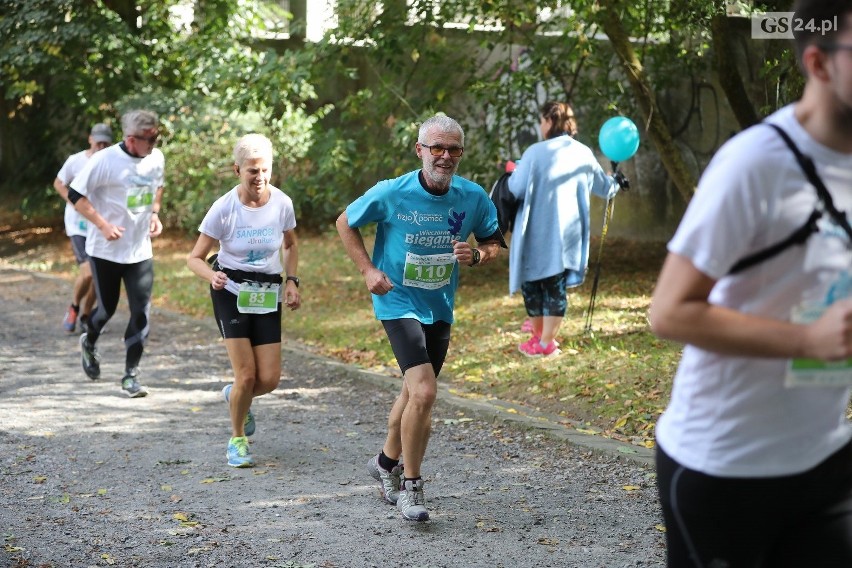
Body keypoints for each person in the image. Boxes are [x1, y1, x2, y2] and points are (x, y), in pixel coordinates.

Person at [649, 1, 852, 565]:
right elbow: (668, 312)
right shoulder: (755, 164)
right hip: (724, 466)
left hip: (825, 456)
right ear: (819, 62)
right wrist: (807, 341)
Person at [336, 114, 505, 522]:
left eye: (453, 149)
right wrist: (367, 270)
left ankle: (383, 463)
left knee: (414, 394)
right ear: (419, 150)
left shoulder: (472, 196)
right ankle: (411, 487)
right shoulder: (392, 192)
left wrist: (479, 255)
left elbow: (494, 241)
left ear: (461, 154)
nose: (444, 156)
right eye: (436, 148)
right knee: (425, 392)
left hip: (439, 305)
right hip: (396, 300)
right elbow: (345, 221)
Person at [187, 133, 301, 468]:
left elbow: (291, 245)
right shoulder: (223, 209)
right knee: (247, 374)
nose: (260, 177)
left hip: (266, 293)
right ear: (237, 170)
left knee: (269, 379)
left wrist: (291, 281)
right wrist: (212, 276)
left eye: (265, 169)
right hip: (231, 291)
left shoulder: (282, 203)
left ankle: (235, 396)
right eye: (252, 170)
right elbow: (194, 258)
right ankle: (237, 439)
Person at [507, 101, 620, 357]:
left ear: (549, 121)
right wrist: (617, 181)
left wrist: (513, 172)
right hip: (568, 235)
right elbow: (604, 188)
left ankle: (544, 341)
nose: (540, 126)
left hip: (535, 233)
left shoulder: (534, 152)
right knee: (555, 285)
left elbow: (516, 189)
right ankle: (545, 340)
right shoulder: (583, 152)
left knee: (532, 285)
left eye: (542, 121)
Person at [67, 109, 165, 398]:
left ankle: (130, 375)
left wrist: (155, 214)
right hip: (105, 250)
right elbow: (75, 194)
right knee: (106, 309)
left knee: (141, 312)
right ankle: (89, 340)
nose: (155, 144)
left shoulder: (156, 158)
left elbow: (157, 187)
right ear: (131, 139)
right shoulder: (104, 160)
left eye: (157, 137)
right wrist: (102, 224)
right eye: (150, 139)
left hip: (139, 250)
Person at [53, 123, 113, 333]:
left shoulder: (113, 163)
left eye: (106, 142)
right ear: (90, 140)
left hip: (102, 225)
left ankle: (86, 315)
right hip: (78, 225)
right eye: (99, 142)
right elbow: (59, 183)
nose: (102, 146)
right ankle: (74, 306)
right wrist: (73, 201)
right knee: (87, 273)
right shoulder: (76, 160)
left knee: (99, 277)